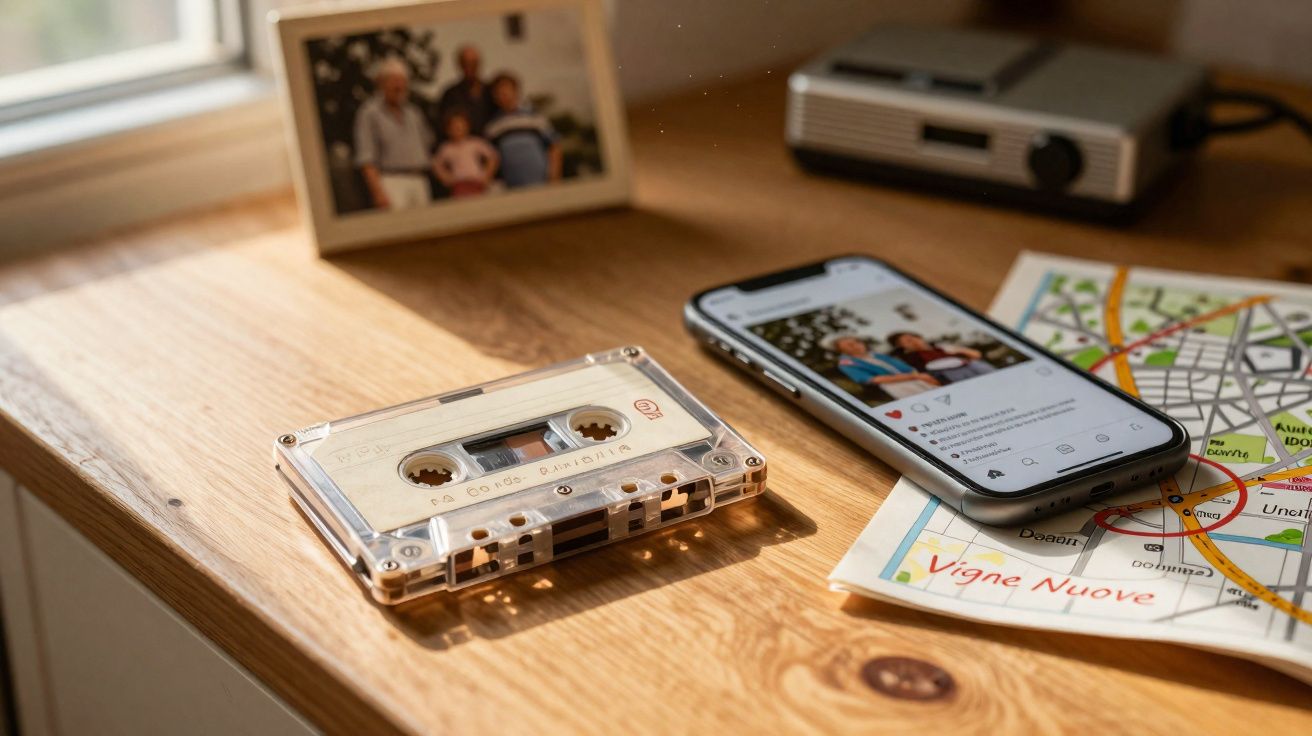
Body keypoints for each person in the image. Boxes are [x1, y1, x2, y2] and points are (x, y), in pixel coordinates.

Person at [353, 57, 435, 211]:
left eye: (402, 81)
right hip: (390, 181)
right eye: (393, 80)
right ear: (381, 83)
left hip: (419, 180)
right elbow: (366, 158)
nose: (398, 86)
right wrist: (378, 193)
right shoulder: (369, 113)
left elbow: (427, 146)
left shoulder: (414, 113)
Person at [483, 71, 562, 189]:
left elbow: (554, 146)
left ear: (516, 91)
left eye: (506, 90)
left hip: (541, 181)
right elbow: (492, 158)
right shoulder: (492, 126)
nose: (503, 95)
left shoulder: (534, 117)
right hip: (512, 186)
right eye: (498, 92)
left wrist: (554, 176)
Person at [821, 334, 940, 399]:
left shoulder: (876, 355)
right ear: (841, 350)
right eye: (849, 345)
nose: (855, 346)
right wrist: (914, 377)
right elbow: (874, 380)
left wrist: (920, 376)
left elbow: (904, 367)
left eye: (856, 342)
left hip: (917, 378)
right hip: (898, 386)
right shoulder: (846, 364)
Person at [432, 110, 499, 197]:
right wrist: (446, 179)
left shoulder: (475, 142)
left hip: (477, 182)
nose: (458, 129)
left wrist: (487, 176)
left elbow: (492, 157)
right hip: (459, 185)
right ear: (448, 130)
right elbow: (436, 164)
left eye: (461, 125)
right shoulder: (446, 148)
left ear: (467, 126)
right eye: (454, 126)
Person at [887, 331, 996, 384]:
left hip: (967, 364)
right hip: (946, 372)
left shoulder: (941, 346)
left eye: (911, 338)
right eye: (907, 342)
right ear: (903, 347)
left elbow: (976, 355)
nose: (913, 342)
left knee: (978, 365)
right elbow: (919, 374)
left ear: (919, 337)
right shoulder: (911, 358)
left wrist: (960, 350)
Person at [437, 45, 494, 136]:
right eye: (466, 63)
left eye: (474, 63)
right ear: (460, 65)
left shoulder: (491, 91)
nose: (470, 67)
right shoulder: (450, 94)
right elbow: (443, 123)